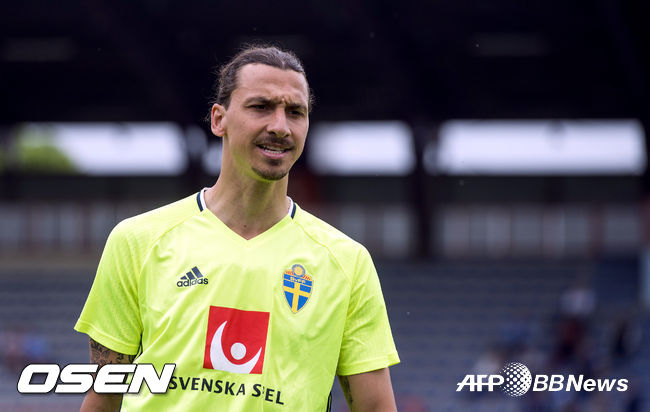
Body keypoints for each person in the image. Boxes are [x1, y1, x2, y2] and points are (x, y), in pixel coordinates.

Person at [75, 44, 399, 411]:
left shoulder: (347, 263)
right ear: (219, 120)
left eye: (295, 112)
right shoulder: (138, 241)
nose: (280, 127)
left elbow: (376, 407)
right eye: (261, 107)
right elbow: (103, 398)